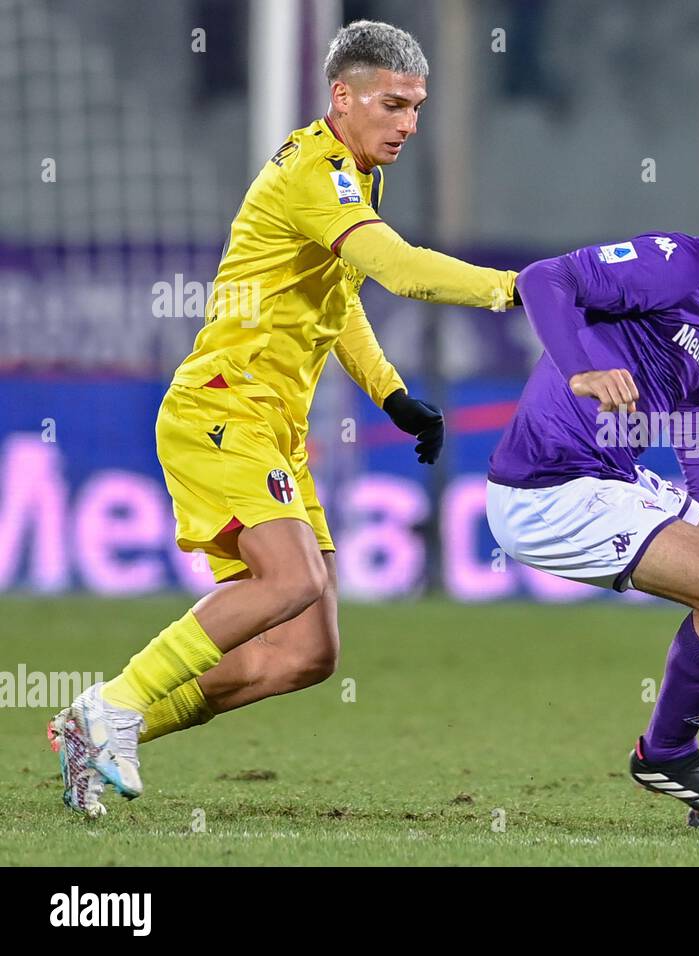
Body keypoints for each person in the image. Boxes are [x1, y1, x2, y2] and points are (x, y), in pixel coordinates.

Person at [50, 20, 519, 818]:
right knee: (292, 578)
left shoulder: (353, 173)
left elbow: (341, 301)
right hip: (221, 408)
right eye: (394, 105)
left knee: (307, 652)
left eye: (417, 108)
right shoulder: (316, 174)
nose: (408, 124)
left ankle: (85, 732)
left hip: (274, 430)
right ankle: (114, 703)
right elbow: (399, 269)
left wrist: (392, 394)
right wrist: (520, 287)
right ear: (344, 97)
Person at [485, 160, 699, 827]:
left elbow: (691, 403)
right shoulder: (672, 262)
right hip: (549, 486)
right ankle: (666, 754)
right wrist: (582, 367)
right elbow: (542, 279)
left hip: (606, 474)